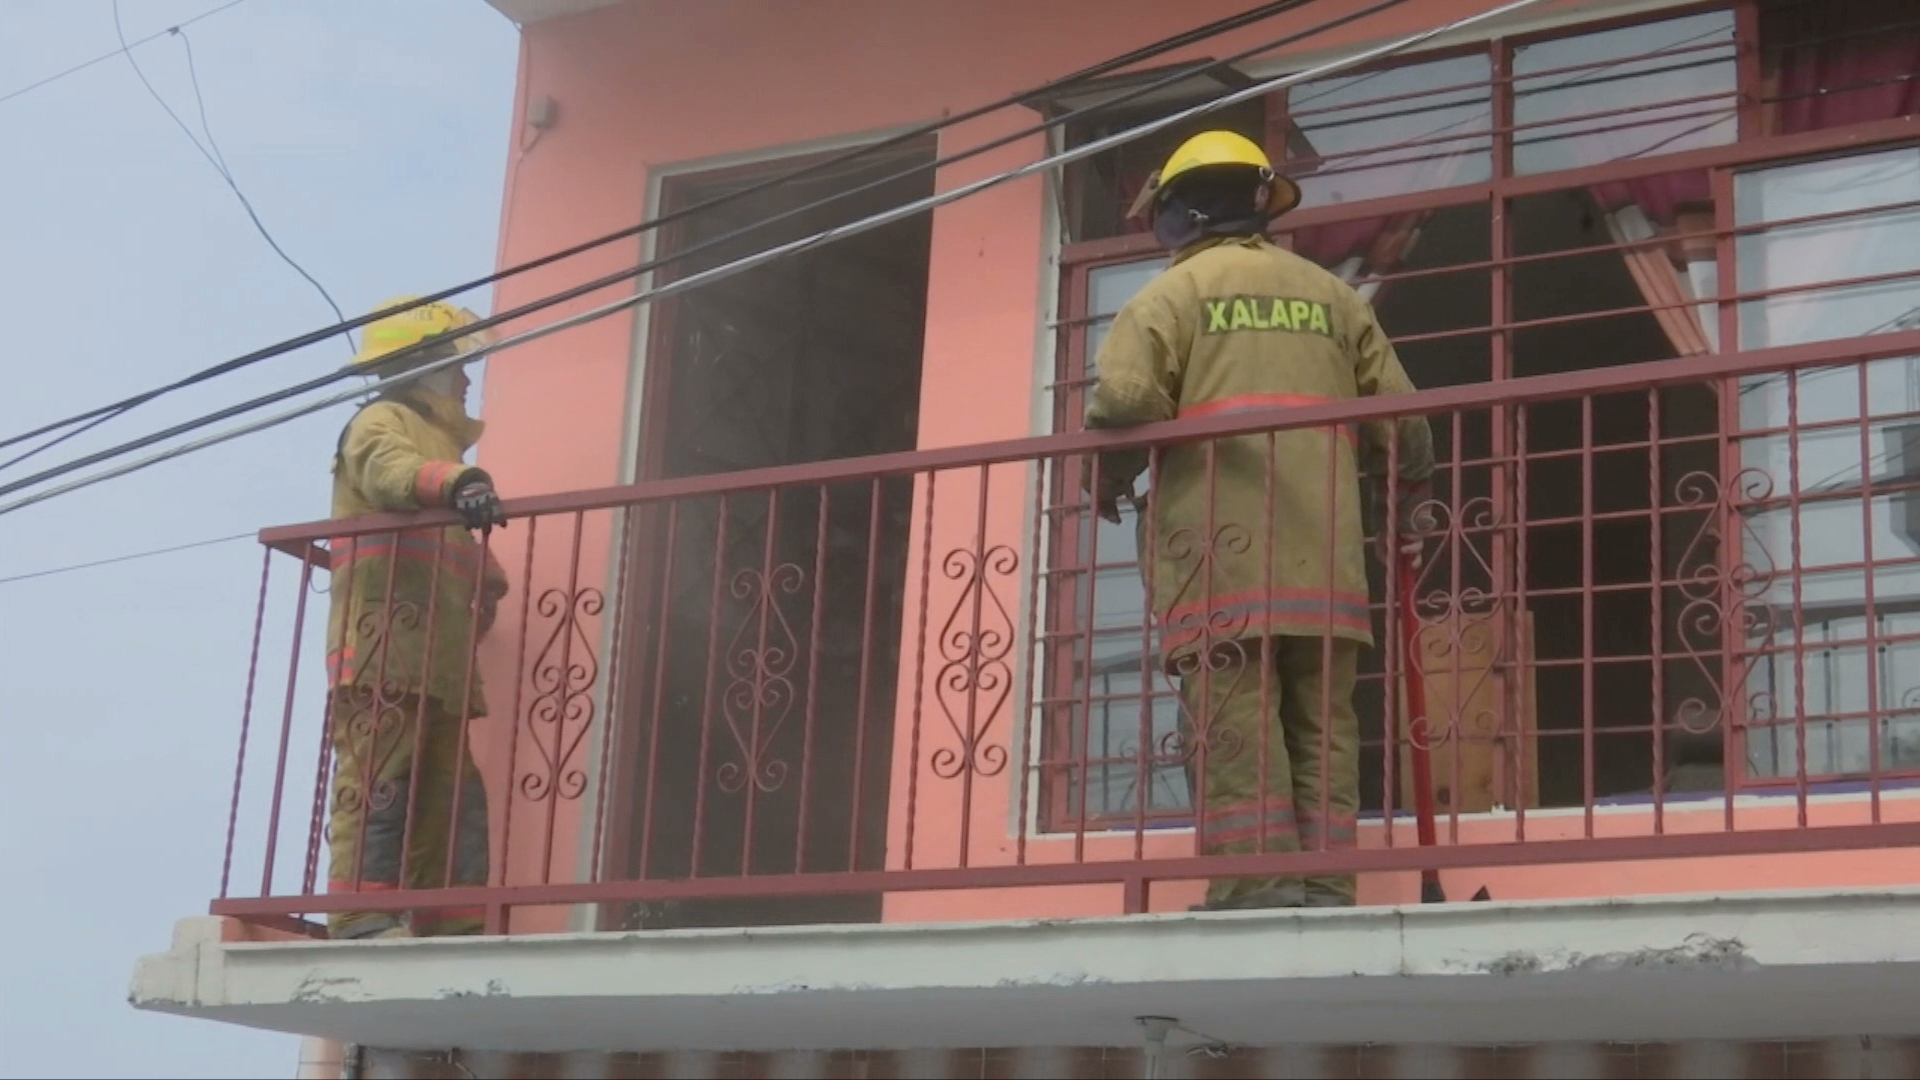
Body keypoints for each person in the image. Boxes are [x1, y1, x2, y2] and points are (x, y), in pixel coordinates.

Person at [1083, 131, 1434, 909]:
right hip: (1328, 561)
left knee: (1235, 726)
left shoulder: (1168, 297)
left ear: (1176, 213)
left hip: (1217, 557)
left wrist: (1104, 470)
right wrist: (1405, 494)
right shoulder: (1334, 298)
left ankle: (1254, 890)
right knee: (1322, 729)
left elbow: (1129, 401)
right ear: (1259, 204)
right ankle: (1325, 886)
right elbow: (1407, 426)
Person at [324, 297, 510, 939]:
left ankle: (450, 921)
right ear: (426, 363)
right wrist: (458, 484)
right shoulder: (382, 420)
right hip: (383, 647)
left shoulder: (436, 439)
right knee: (381, 779)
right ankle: (362, 915)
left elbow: (446, 543)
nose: (466, 379)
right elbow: (388, 472)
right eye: (459, 365)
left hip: (437, 659)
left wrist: (487, 579)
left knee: (451, 796)